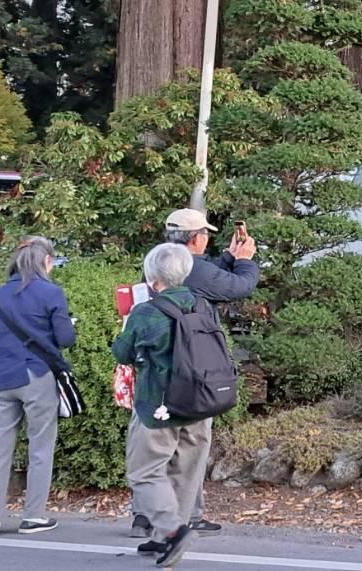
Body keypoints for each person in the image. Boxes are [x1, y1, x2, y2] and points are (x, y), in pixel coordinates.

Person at [128, 208, 256, 538]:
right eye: (206, 236)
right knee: (191, 447)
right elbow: (237, 287)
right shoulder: (193, 269)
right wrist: (243, 260)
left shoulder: (159, 262)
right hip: (191, 373)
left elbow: (210, 279)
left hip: (152, 375)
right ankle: (179, 522)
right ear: (197, 238)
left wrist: (226, 259)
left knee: (150, 452)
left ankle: (150, 515)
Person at [114, 244, 213, 568]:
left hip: (158, 403)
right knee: (185, 469)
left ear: (153, 278)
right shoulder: (202, 305)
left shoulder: (147, 311)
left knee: (144, 470)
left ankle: (171, 532)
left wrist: (127, 321)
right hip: (199, 402)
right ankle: (164, 537)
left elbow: (123, 353)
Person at [0, 236, 74, 538]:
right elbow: (66, 339)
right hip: (37, 375)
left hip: (1, 378)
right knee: (40, 447)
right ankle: (33, 516)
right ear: (46, 261)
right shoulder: (51, 293)